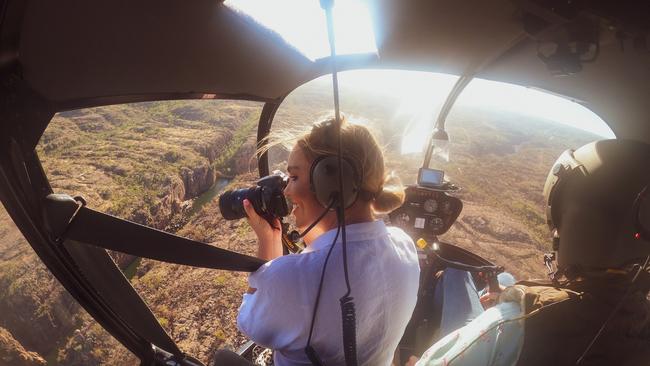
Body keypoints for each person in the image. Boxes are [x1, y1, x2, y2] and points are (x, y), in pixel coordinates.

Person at [411, 139, 650, 366]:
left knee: (455, 272)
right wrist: (511, 297)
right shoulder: (641, 322)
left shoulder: (509, 325)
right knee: (504, 280)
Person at [218, 118, 420, 365]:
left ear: (331, 186)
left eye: (293, 176)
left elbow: (251, 325)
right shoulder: (404, 245)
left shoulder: (297, 277)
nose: (286, 192)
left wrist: (267, 242)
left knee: (224, 359)